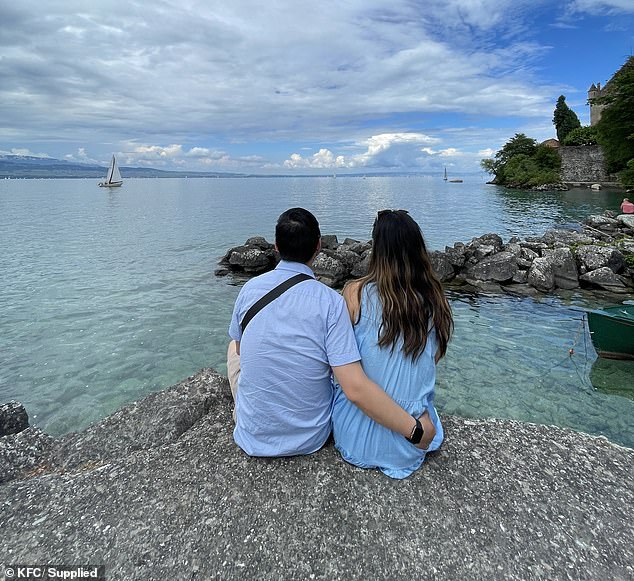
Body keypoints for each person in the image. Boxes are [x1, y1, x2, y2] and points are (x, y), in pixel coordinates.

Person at [227, 207, 435, 458]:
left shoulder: (249, 290)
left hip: (252, 435)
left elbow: (241, 351)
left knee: (233, 347)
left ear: (276, 247)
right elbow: (352, 383)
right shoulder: (330, 302)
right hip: (310, 436)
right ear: (318, 246)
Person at [332, 210, 453, 479]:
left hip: (355, 439)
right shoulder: (436, 300)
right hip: (411, 444)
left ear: (377, 250)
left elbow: (344, 369)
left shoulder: (356, 293)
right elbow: (430, 362)